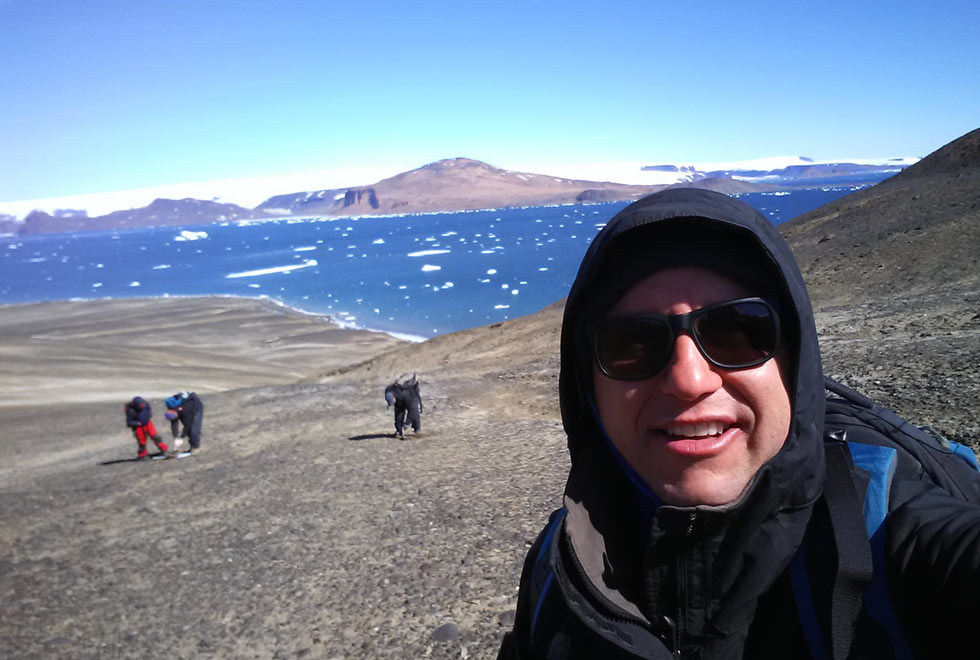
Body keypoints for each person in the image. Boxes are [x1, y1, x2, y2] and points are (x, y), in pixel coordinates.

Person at [497, 188, 980, 659]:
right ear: (588, 388)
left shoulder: (893, 536)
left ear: (796, 367)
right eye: (632, 344)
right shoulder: (559, 570)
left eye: (739, 332)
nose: (688, 381)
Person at [384, 372, 423, 439]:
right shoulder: (389, 391)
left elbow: (412, 411)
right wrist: (399, 428)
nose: (394, 403)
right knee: (399, 410)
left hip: (412, 393)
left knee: (414, 411)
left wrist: (406, 424)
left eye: (393, 402)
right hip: (402, 397)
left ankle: (417, 430)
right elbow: (398, 413)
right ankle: (399, 431)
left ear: (394, 398)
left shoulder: (406, 395)